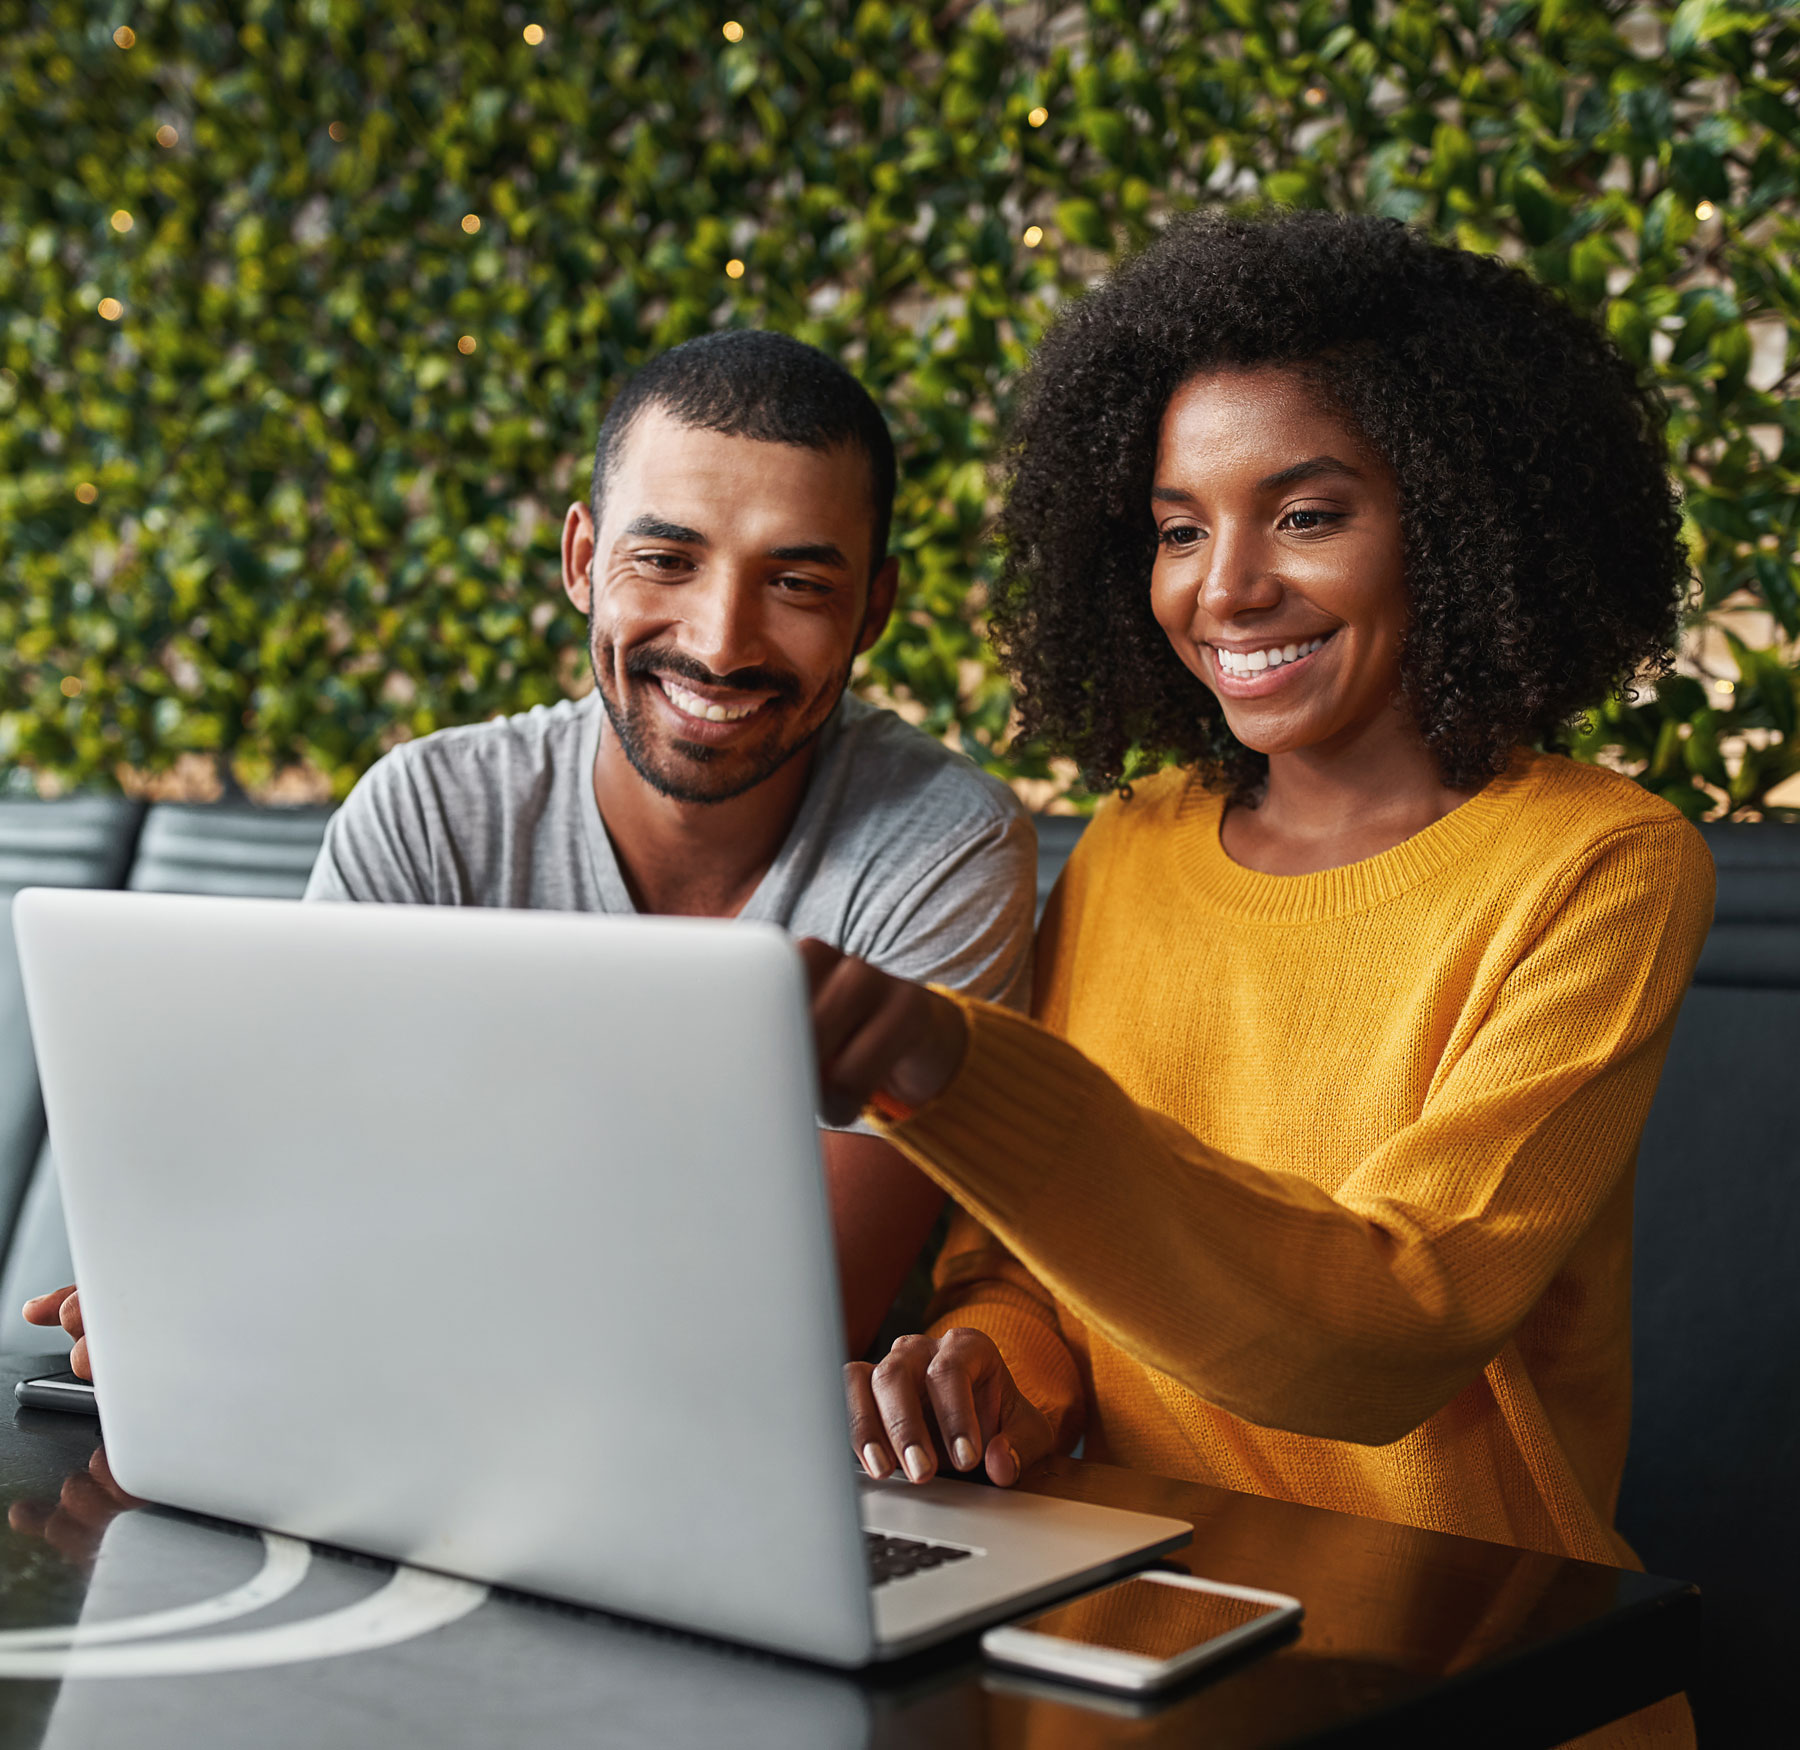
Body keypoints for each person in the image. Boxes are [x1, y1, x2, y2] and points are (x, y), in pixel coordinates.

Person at [803, 213, 1709, 1744]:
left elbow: (1382, 1330)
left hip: (1472, 1675)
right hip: (1135, 1648)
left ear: (1458, 518)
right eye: (1176, 527)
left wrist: (957, 1066)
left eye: (1305, 515)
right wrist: (989, 1374)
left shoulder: (1601, 866)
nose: (1224, 589)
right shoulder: (1132, 850)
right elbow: (1030, 1279)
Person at [27, 331, 1035, 1374]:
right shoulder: (424, 817)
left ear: (874, 606)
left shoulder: (943, 847)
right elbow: (302, 1193)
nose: (721, 641)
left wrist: (307, 1283)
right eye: (666, 561)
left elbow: (783, 1333)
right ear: (583, 561)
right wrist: (224, 1286)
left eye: (795, 584)